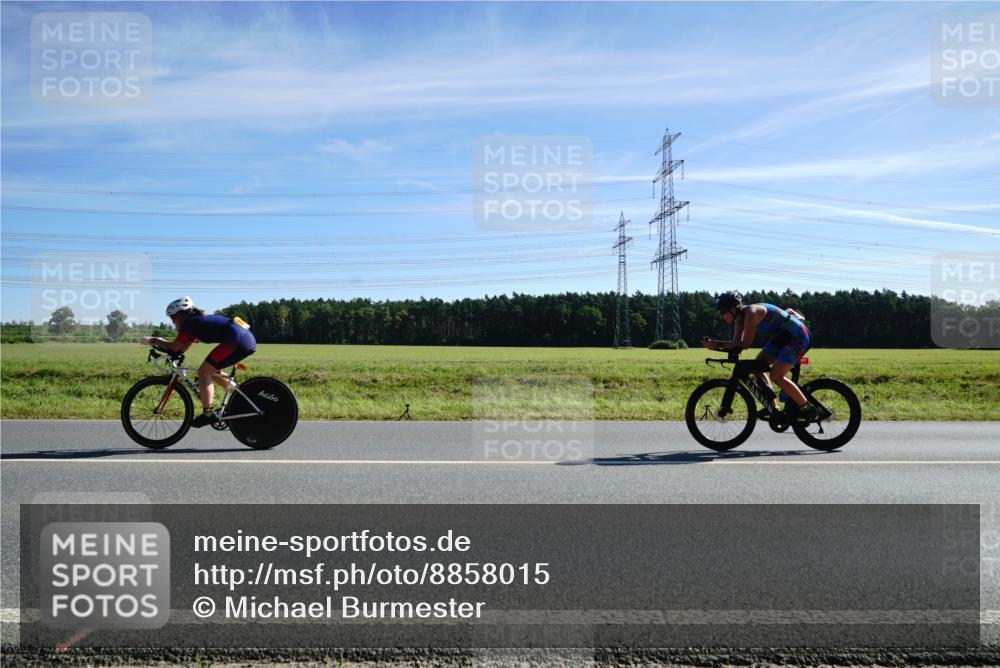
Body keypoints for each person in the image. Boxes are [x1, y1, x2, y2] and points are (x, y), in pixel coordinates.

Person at [701, 291, 817, 423]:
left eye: (723, 312)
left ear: (733, 309)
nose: (722, 317)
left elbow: (746, 344)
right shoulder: (739, 320)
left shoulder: (751, 313)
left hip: (798, 336)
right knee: (758, 368)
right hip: (783, 337)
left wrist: (717, 343)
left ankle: (807, 408)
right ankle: (773, 408)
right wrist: (714, 346)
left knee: (776, 376)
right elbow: (736, 346)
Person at [140, 297, 256, 428]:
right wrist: (163, 348)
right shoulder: (194, 322)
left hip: (236, 340)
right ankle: (242, 398)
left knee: (204, 372)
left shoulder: (190, 323)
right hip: (243, 340)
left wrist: (153, 340)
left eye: (173, 318)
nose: (172, 322)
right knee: (211, 371)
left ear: (181, 314)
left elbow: (174, 346)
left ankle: (208, 414)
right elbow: (181, 348)